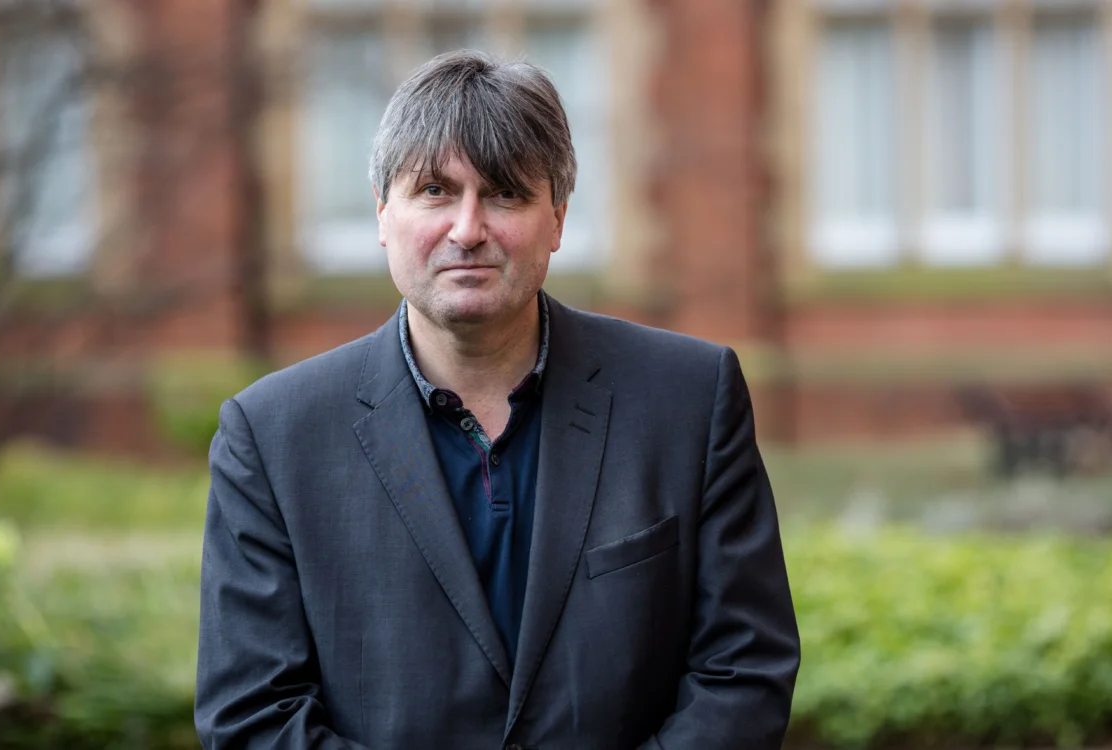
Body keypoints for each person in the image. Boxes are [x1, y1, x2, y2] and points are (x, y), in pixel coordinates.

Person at [195, 49, 800, 749]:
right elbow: (253, 717)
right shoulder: (271, 436)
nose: (468, 229)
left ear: (559, 219)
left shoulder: (689, 400)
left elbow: (743, 673)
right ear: (382, 214)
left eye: (506, 193)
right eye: (434, 191)